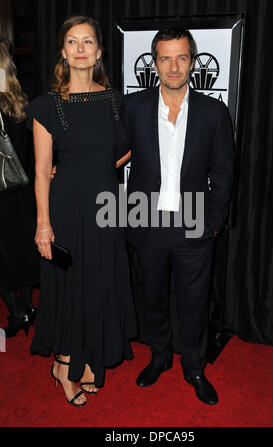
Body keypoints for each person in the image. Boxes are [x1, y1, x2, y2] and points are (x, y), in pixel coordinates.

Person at [26, 15, 136, 408]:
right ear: (63, 52)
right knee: (69, 287)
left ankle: (88, 359)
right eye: (72, 42)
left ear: (99, 52)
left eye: (87, 42)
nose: (80, 49)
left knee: (100, 282)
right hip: (67, 208)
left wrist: (102, 170)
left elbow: (125, 150)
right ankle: (64, 363)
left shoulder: (113, 100)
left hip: (106, 208)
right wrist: (43, 225)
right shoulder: (46, 105)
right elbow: (40, 170)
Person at [124, 28, 234, 405]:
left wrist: (213, 221)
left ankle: (195, 367)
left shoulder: (213, 112)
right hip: (147, 224)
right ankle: (158, 357)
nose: (174, 67)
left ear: (192, 60)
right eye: (166, 58)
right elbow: (109, 154)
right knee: (153, 298)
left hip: (194, 224)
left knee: (193, 302)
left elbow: (223, 173)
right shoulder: (133, 107)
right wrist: (67, 167)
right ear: (154, 63)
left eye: (182, 57)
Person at [0, 45, 39, 337]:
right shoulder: (20, 102)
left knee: (8, 256)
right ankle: (27, 309)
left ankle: (18, 312)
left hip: (10, 192)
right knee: (22, 251)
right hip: (23, 192)